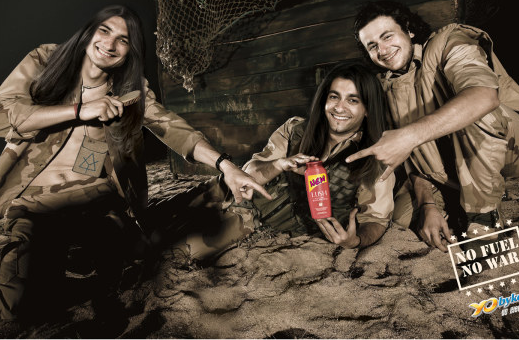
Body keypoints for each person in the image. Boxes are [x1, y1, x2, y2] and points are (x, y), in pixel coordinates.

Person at [0, 5, 270, 323]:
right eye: (104, 31)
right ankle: (36, 259)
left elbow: (172, 128)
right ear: (89, 32)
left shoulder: (130, 88)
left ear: (130, 50)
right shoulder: (46, 60)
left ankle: (96, 251)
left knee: (136, 261)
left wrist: (225, 164)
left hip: (96, 201)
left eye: (123, 40)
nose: (110, 44)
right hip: (36, 204)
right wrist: (79, 110)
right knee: (19, 308)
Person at [349, 0, 519, 252]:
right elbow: (414, 159)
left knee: (475, 111)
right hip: (457, 163)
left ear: (409, 29)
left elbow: (483, 97)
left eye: (387, 36)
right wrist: (427, 204)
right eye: (372, 46)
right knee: (404, 214)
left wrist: (407, 136)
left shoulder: (450, 41)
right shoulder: (384, 86)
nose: (382, 50)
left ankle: (483, 222)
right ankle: (468, 196)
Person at [160, 62, 395, 261]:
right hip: (226, 189)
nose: (339, 107)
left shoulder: (376, 157)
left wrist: (355, 241)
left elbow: (376, 219)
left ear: (367, 109)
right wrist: (279, 164)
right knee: (156, 220)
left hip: (251, 220)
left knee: (174, 253)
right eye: (334, 96)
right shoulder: (295, 129)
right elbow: (249, 173)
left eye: (353, 100)